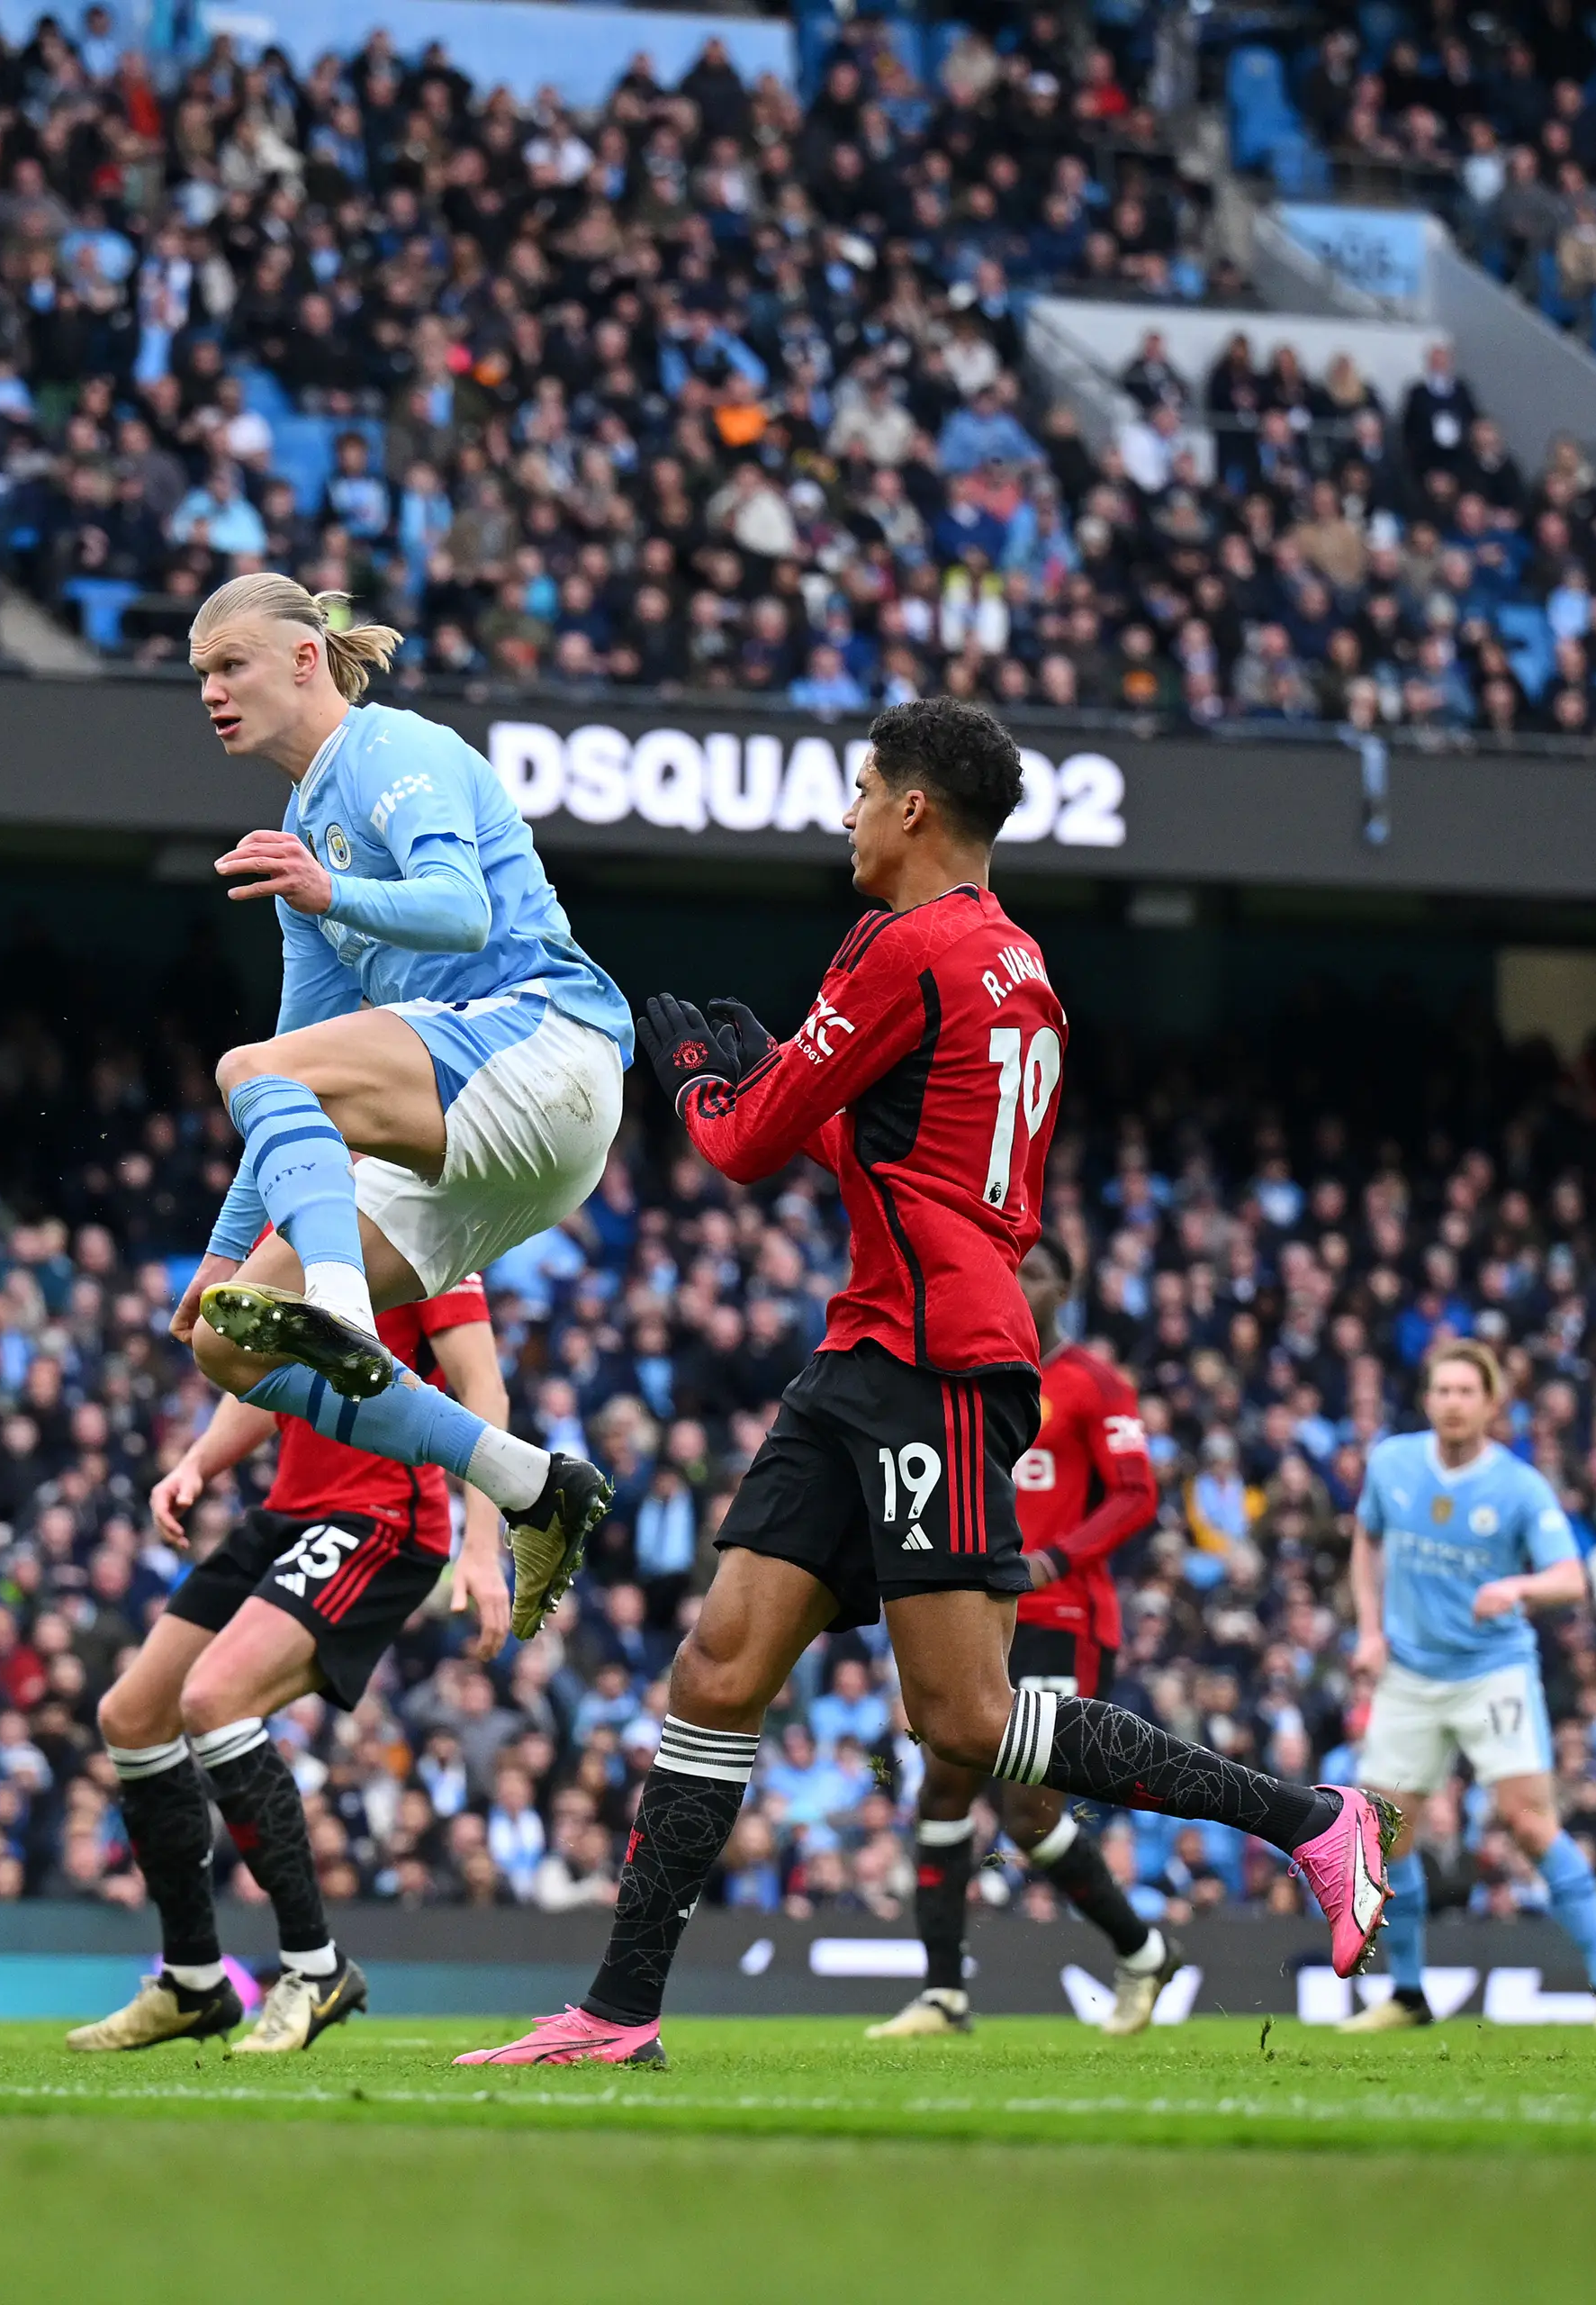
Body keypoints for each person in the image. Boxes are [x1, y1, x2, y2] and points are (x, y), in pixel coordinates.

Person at [458, 698, 1398, 2067]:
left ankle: (1315, 1821)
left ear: (911, 808)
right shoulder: (1016, 962)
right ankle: (618, 2012)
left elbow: (742, 1149)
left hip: (937, 1362)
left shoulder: (905, 944)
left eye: (860, 789)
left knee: (960, 1718)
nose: (846, 814)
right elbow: (899, 1161)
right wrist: (774, 1078)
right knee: (717, 1668)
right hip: (873, 1351)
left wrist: (707, 1086)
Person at [167, 573, 627, 1640]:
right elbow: (290, 1073)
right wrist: (223, 1255)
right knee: (229, 1342)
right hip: (484, 1134)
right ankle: (528, 1481)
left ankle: (340, 1306)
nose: (211, 692)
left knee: (250, 1070)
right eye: (200, 675)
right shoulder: (302, 827)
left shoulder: (390, 749)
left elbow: (462, 911)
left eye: (230, 666)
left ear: (305, 659)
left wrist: (328, 891)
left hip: (545, 1046)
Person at [70, 1268, 509, 2056]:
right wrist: (198, 1463)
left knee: (214, 1699)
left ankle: (315, 1969)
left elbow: (483, 1390)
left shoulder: (427, 1236)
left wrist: (483, 1545)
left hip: (383, 1518)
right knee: (131, 1717)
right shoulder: (294, 1232)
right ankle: (193, 1981)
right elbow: (261, 1377)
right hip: (286, 1514)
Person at [867, 1239, 1177, 2038]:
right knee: (942, 1789)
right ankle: (943, 1995)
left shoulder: (1094, 1383)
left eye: (1034, 1273)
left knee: (1028, 1814)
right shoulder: (970, 1373)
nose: (1019, 1284)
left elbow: (1137, 1495)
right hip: (973, 1615)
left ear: (1064, 1289)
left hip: (1060, 1620)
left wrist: (1054, 1560)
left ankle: (1142, 1951)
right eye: (1010, 1270)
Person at [1338, 1338, 1596, 2033]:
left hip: (1492, 1673)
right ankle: (1408, 1996)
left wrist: (1518, 1588)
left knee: (1529, 1823)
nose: (1453, 1403)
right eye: (1442, 1390)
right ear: (1427, 1399)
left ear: (1492, 1403)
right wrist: (1370, 1631)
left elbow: (1571, 1578)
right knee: (1384, 1831)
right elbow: (1366, 1541)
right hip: (1410, 1673)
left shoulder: (1519, 1486)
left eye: (1466, 1391)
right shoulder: (1393, 1463)